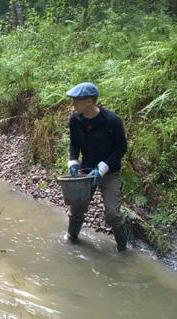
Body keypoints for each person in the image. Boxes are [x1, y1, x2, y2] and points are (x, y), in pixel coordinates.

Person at [66, 82, 128, 252]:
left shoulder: (112, 121)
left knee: (113, 214)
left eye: (76, 100)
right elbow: (74, 145)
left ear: (89, 101)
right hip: (86, 171)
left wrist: (103, 167)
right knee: (77, 208)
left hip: (110, 172)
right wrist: (73, 161)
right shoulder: (75, 120)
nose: (73, 104)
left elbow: (121, 148)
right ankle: (71, 240)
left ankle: (123, 250)